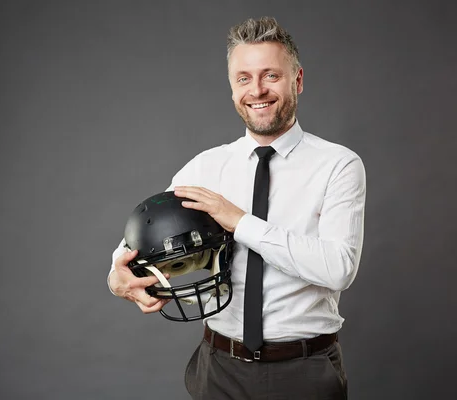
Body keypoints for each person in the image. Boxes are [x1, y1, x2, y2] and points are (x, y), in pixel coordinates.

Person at [108, 16, 366, 399]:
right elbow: (142, 237)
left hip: (304, 370)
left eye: (270, 76)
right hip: (219, 369)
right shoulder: (205, 168)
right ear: (232, 88)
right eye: (243, 78)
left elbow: (338, 268)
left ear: (297, 80)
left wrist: (240, 222)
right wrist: (118, 278)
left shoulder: (338, 165)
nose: (257, 90)